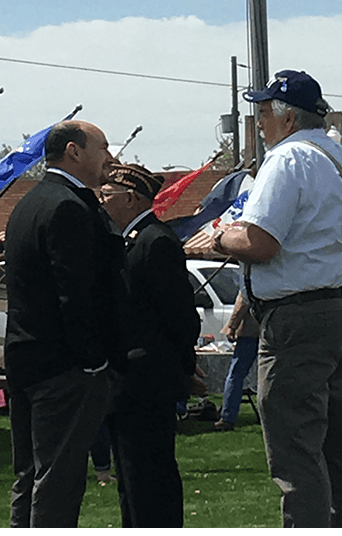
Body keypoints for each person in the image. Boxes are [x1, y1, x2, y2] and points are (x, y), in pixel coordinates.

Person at [209, 69, 342, 528]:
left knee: (295, 450)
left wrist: (221, 238)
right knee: (340, 449)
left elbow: (261, 244)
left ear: (286, 118)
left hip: (297, 317)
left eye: (263, 113)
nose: (260, 123)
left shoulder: (287, 159)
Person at [3, 120, 126, 527]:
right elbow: (75, 293)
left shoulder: (29, 202)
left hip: (25, 357)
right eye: (103, 147)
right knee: (59, 480)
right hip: (64, 367)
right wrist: (93, 361)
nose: (109, 157)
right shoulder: (69, 206)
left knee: (31, 475)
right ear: (74, 151)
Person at [100, 163, 201, 528]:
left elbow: (179, 315)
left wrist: (181, 364)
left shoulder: (155, 241)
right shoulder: (129, 240)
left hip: (147, 379)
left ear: (130, 198)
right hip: (125, 380)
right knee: (130, 479)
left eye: (107, 195)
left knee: (150, 479)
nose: (102, 201)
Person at [214, 291, 259, 431]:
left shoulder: (249, 277)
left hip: (250, 333)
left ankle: (228, 418)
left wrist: (232, 326)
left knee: (235, 375)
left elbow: (243, 301)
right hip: (269, 330)